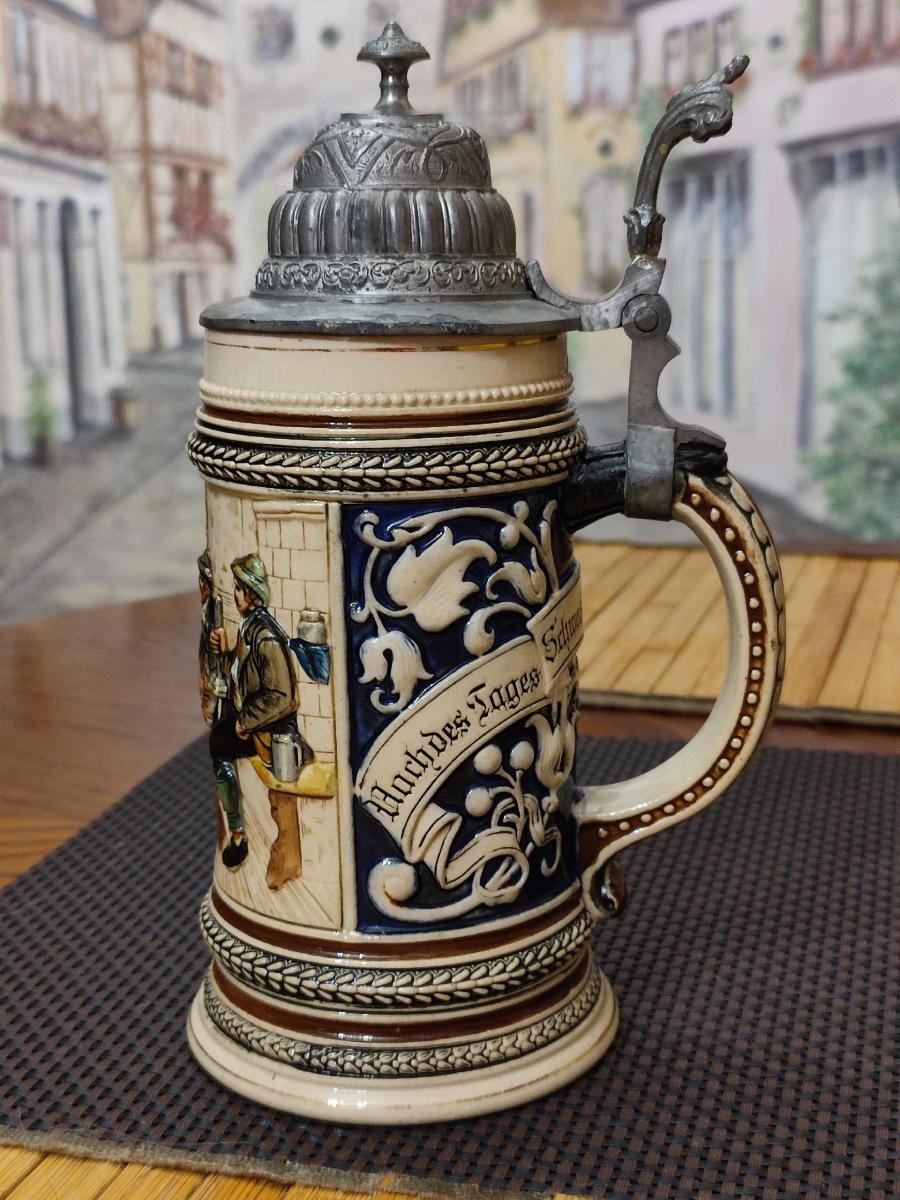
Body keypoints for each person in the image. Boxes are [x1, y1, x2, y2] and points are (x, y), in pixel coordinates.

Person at [208, 553, 312, 867]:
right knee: (218, 739)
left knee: (219, 743)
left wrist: (244, 722)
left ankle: (238, 835)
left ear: (252, 594)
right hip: (256, 724)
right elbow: (246, 678)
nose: (236, 594)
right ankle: (237, 831)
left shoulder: (266, 637)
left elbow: (283, 696)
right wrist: (225, 654)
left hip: (272, 733)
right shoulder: (250, 629)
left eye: (240, 589)